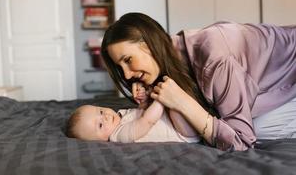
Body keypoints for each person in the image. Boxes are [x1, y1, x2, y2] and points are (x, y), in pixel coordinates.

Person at [100, 12, 296, 151]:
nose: (126, 75)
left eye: (127, 60)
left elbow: (241, 142)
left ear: (149, 45)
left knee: (257, 130)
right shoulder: (173, 54)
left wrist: (182, 103)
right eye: (120, 68)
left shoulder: (214, 59)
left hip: (291, 71)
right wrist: (149, 88)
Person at [66, 84, 200, 143]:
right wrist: (160, 100)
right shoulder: (119, 135)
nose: (105, 117)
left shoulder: (119, 116)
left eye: (100, 111)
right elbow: (147, 121)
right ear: (98, 141)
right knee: (175, 101)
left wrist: (145, 99)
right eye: (100, 125)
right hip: (182, 133)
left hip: (177, 122)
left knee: (178, 95)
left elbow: (142, 111)